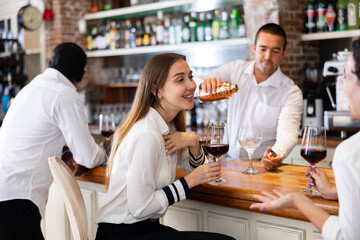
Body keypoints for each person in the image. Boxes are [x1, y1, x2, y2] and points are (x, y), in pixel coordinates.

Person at [95, 53, 234, 240]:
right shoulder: (148, 134)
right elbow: (140, 207)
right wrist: (190, 181)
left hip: (145, 228)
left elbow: (200, 171)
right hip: (122, 233)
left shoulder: (167, 126)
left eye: (191, 76)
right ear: (157, 90)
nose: (192, 85)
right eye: (180, 80)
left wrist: (193, 142)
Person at [249, 39, 360, 240]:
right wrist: (336, 191)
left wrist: (298, 201)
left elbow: (346, 237)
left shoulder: (350, 153)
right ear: (254, 49)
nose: (340, 83)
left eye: (346, 76)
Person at [0, 42, 106, 240]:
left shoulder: (31, 88)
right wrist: (107, 148)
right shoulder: (64, 93)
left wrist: (62, 153)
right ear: (81, 75)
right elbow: (89, 157)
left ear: (50, 62)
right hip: (17, 199)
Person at [196, 23, 303, 170]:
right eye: (263, 49)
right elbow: (194, 82)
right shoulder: (235, 70)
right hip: (227, 162)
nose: (267, 56)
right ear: (254, 48)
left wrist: (274, 154)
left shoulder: (290, 91)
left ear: (284, 53)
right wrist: (204, 84)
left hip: (262, 166)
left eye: (275, 51)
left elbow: (288, 134)